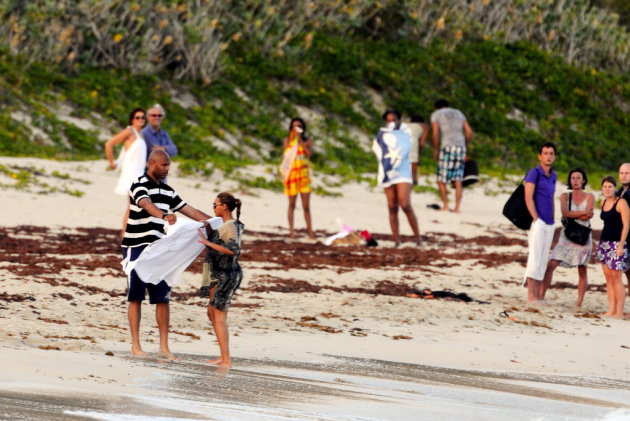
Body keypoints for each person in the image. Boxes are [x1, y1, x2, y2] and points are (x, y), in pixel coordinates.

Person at [122, 150, 211, 360]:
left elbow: (190, 211)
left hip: (160, 250)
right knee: (135, 296)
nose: (167, 169)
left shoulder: (168, 191)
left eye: (168, 165)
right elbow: (146, 204)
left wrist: (219, 222)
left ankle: (164, 347)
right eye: (163, 165)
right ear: (152, 164)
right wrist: (164, 215)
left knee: (163, 298)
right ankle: (136, 345)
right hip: (136, 246)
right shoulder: (138, 184)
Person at [196, 192, 244, 368]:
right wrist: (208, 230)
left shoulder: (231, 226)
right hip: (217, 273)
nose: (213, 207)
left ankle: (226, 359)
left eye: (215, 204)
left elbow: (233, 250)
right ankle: (222, 356)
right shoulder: (225, 225)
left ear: (224, 206)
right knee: (212, 313)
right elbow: (219, 241)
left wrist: (207, 243)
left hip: (226, 274)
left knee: (219, 316)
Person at [541, 168, 594, 308]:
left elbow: (590, 216)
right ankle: (541, 296)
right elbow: (565, 213)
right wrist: (583, 212)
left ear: (583, 180)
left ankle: (579, 303)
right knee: (551, 264)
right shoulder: (565, 196)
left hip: (583, 237)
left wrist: (574, 213)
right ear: (570, 181)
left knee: (582, 269)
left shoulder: (590, 196)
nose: (575, 180)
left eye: (578, 178)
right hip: (567, 235)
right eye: (573, 178)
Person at [372, 110, 421, 247]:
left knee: (405, 204)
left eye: (394, 120)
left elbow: (408, 149)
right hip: (388, 170)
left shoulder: (406, 133)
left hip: (403, 171)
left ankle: (417, 237)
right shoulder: (382, 135)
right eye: (389, 120)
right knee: (392, 206)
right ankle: (396, 240)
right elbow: (378, 150)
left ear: (398, 120)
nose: (391, 123)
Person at [104, 108, 148, 235]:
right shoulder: (130, 131)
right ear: (132, 119)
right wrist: (111, 162)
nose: (140, 120)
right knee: (131, 208)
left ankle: (130, 236)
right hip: (131, 174)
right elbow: (109, 144)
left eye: (142, 117)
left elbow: (137, 155)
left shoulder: (141, 134)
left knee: (136, 207)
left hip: (140, 174)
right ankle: (125, 237)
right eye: (137, 117)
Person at [524, 142, 557, 304]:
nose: (548, 156)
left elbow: (550, 198)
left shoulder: (554, 175)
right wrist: (536, 219)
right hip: (539, 222)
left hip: (550, 223)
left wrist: (553, 219)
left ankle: (537, 295)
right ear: (540, 156)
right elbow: (528, 197)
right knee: (535, 258)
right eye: (545, 153)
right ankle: (531, 296)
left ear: (554, 156)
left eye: (551, 153)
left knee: (543, 259)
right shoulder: (534, 173)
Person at [430, 99, 473, 212]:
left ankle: (446, 206)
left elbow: (435, 134)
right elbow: (469, 132)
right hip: (460, 148)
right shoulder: (459, 113)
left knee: (441, 179)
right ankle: (457, 208)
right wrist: (465, 145)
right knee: (458, 179)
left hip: (447, 147)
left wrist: (435, 149)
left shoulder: (437, 114)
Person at [595, 176, 629, 318]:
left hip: (617, 244)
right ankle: (611, 309)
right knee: (608, 278)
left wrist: (621, 246)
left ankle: (619, 311)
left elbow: (627, 225)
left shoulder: (621, 202)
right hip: (604, 243)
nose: (607, 189)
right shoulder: (603, 202)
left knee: (616, 277)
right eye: (605, 187)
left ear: (615, 188)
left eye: (610, 186)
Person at [280, 117, 314, 239]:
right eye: (294, 126)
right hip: (292, 175)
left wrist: (300, 141)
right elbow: (286, 155)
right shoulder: (287, 140)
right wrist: (294, 140)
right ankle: (291, 231)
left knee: (306, 207)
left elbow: (309, 154)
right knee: (291, 205)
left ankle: (310, 231)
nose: (296, 128)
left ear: (303, 128)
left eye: (299, 126)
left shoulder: (307, 141)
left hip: (304, 176)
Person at [616, 162, 630, 297]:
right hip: (621, 237)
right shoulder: (618, 192)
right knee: (627, 272)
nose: (624, 176)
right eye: (622, 173)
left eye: (627, 173)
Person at [408, 114, 429, 185]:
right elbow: (422, 143)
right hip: (413, 141)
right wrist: (419, 153)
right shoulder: (424, 126)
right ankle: (413, 180)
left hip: (401, 140)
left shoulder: (407, 125)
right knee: (413, 161)